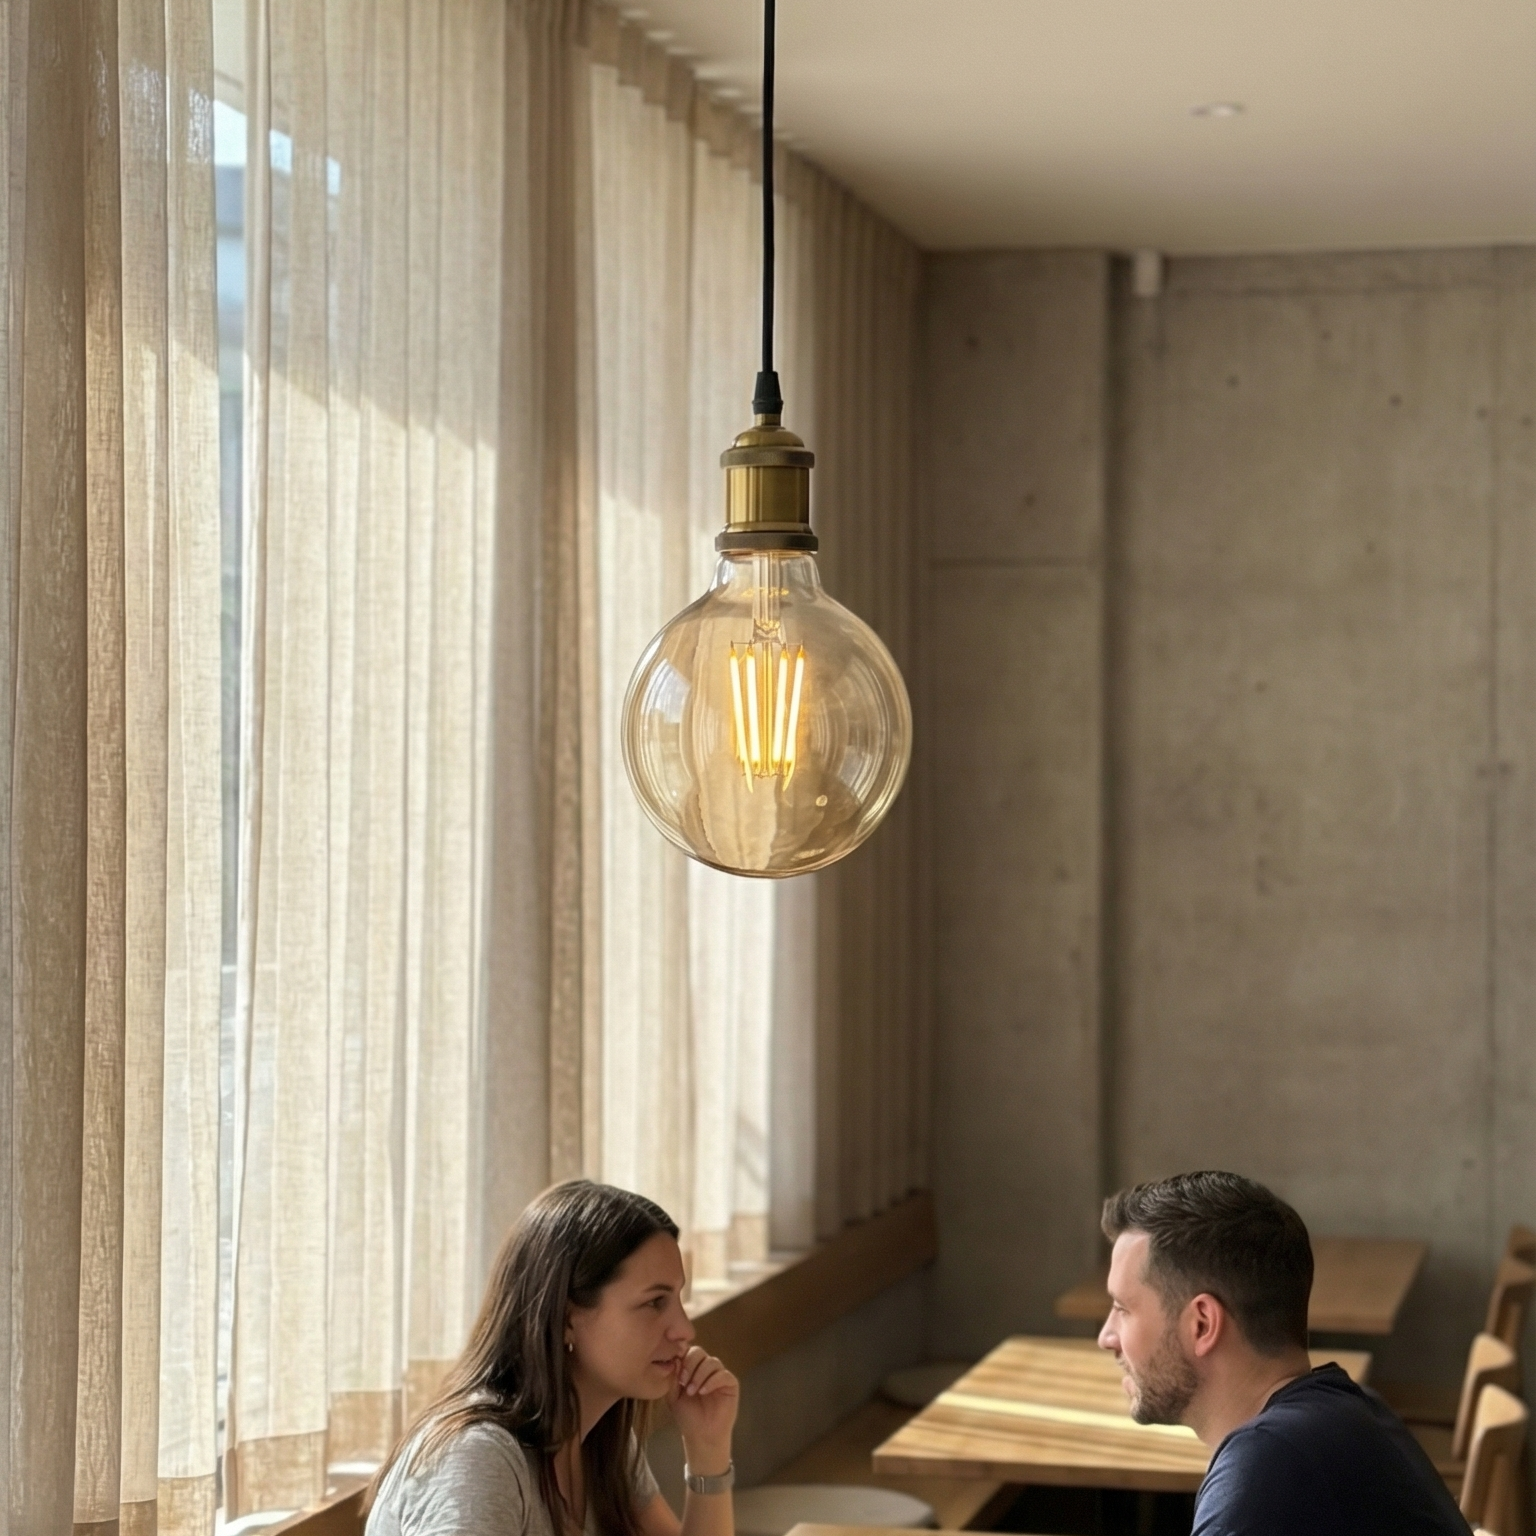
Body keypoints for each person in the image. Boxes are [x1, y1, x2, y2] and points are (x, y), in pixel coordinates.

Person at [1097, 1170, 1469, 1535]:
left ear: (1202, 1324)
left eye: (1123, 1309)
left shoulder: (1268, 1467)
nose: (1106, 1337)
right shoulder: (1350, 1415)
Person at [368, 1180, 738, 1536]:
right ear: (565, 1318)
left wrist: (708, 1448)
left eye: (677, 1299)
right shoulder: (477, 1460)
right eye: (655, 1302)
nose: (685, 1329)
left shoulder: (603, 1444)